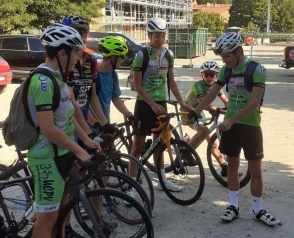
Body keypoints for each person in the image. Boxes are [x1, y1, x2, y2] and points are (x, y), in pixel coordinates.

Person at [188, 32, 280, 225]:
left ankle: (258, 210)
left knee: (255, 170)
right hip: (231, 125)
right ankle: (233, 206)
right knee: (232, 167)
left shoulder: (257, 70)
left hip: (251, 126)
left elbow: (254, 103)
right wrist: (195, 111)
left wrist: (230, 120)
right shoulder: (225, 70)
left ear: (238, 51)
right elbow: (210, 95)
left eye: (227, 56)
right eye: (222, 57)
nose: (224, 61)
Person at [27, 23, 100, 238]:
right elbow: (48, 128)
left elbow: (68, 119)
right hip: (46, 158)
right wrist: (78, 150)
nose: (78, 60)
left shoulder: (58, 79)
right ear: (62, 52)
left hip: (61, 153)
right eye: (75, 54)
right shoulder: (42, 82)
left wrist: (86, 139)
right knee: (47, 220)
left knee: (59, 213)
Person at [129, 17, 193, 192]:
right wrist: (151, 104)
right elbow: (137, 85)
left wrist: (182, 103)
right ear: (149, 35)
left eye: (163, 36)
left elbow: (172, 83)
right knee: (138, 146)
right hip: (144, 104)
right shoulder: (141, 55)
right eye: (156, 36)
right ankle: (132, 186)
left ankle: (162, 181)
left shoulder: (168, 54)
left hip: (161, 103)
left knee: (160, 145)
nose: (160, 39)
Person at [60, 15, 118, 138]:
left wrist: (104, 124)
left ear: (85, 36)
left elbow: (91, 97)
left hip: (84, 123)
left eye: (71, 33)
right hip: (67, 127)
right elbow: (68, 103)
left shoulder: (91, 61)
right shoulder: (63, 62)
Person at [180, 60, 229, 175]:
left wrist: (234, 109)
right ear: (202, 75)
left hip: (199, 112)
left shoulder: (216, 87)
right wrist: (220, 110)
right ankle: (186, 151)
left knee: (213, 142)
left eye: (212, 75)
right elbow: (203, 103)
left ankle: (224, 166)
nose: (209, 77)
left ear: (216, 76)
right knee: (204, 131)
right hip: (189, 112)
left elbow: (226, 102)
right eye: (206, 74)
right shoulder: (197, 85)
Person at [97, 36, 138, 124]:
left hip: (105, 124)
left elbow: (115, 98)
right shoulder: (94, 75)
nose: (123, 60)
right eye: (122, 57)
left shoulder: (113, 75)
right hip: (91, 127)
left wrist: (129, 115)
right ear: (113, 58)